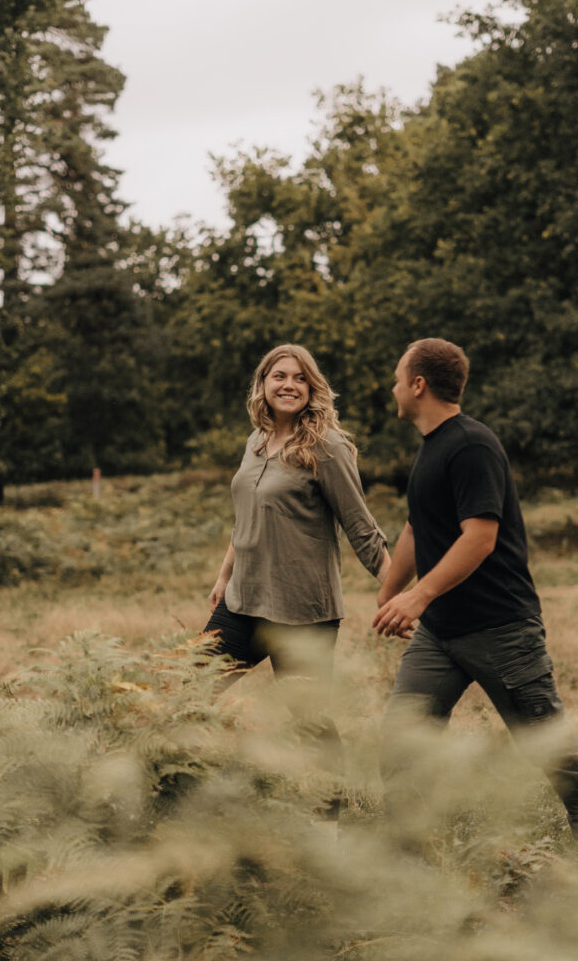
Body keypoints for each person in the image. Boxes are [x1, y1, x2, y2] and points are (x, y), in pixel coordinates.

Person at [373, 337, 578, 854]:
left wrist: (417, 598)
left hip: (500, 630)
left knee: (554, 754)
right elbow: (419, 528)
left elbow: (480, 537)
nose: (392, 387)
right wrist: (389, 591)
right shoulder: (430, 449)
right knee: (401, 747)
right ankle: (404, 875)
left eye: (398, 377)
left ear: (418, 385)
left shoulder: (471, 445)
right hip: (441, 635)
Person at [204, 343, 391, 817]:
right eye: (279, 376)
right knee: (186, 691)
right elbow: (244, 516)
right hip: (242, 602)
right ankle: (183, 797)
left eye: (299, 378)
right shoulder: (256, 442)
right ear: (263, 385)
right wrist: (224, 576)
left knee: (309, 723)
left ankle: (335, 820)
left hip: (302, 611)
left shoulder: (325, 447)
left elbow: (361, 526)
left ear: (312, 389)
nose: (288, 385)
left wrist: (400, 594)